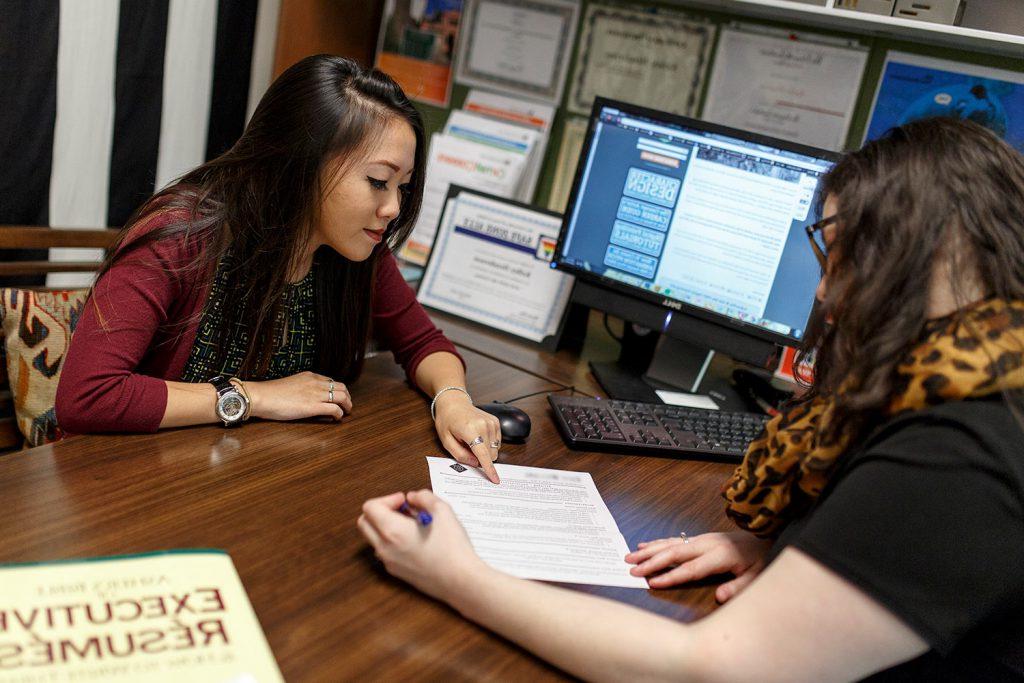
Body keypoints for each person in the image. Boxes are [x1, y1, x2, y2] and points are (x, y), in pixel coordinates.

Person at [357, 117, 1024, 681]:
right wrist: (808, 553)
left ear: (909, 257)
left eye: (842, 257)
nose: (823, 294)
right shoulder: (981, 376)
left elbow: (708, 667)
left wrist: (455, 573)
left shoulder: (961, 447)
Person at [56, 55, 503, 484]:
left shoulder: (356, 249)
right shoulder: (180, 236)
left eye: (402, 188)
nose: (393, 208)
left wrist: (453, 400)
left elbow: (424, 343)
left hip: (258, 480)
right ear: (303, 162)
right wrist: (253, 396)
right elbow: (88, 396)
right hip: (130, 483)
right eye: (377, 182)